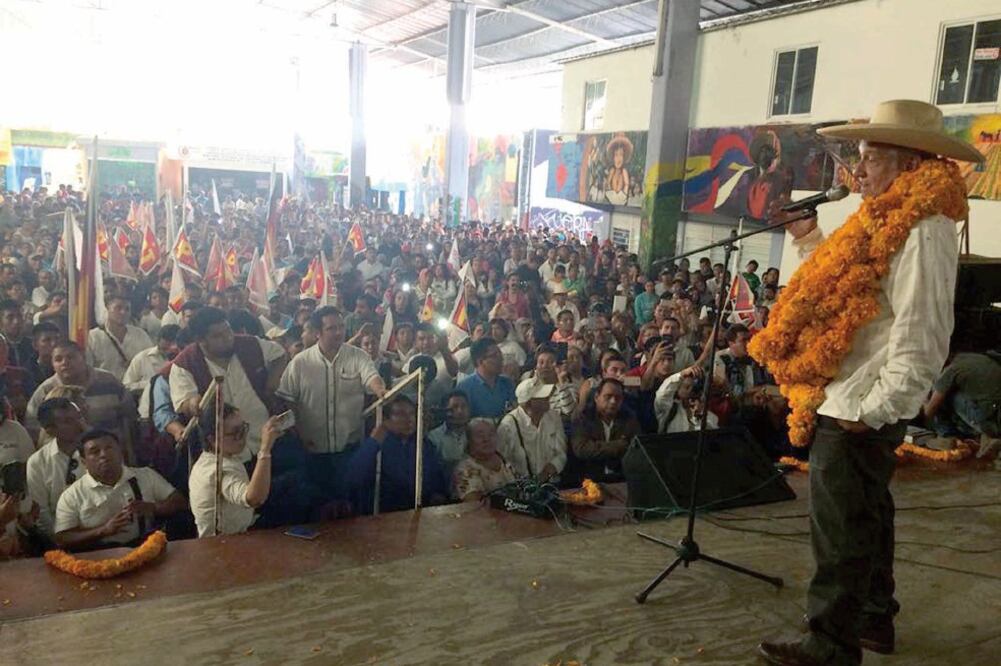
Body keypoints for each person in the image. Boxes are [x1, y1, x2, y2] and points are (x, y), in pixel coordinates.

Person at [756, 100, 982, 666]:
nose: (858, 171)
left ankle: (831, 643)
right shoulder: (880, 217)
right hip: (853, 396)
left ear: (908, 163)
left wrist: (879, 409)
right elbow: (843, 295)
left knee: (840, 528)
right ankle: (875, 622)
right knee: (867, 516)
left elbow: (924, 331)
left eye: (870, 158)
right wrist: (809, 238)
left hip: (862, 404)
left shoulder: (925, 226)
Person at [276, 306, 386, 502]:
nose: (339, 332)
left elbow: (371, 376)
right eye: (332, 328)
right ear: (318, 332)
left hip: (349, 450)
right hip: (312, 451)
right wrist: (299, 432)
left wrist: (380, 391)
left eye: (341, 327)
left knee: (350, 504)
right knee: (318, 508)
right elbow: (287, 400)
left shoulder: (358, 356)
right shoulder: (300, 363)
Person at [169, 307, 287, 463]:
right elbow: (184, 402)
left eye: (228, 330)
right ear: (201, 340)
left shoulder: (250, 344)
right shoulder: (184, 364)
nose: (228, 337)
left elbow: (280, 354)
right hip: (228, 455)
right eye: (218, 336)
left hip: (268, 437)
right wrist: (193, 403)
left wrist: (271, 385)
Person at [53, 429, 186, 551]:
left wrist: (154, 507)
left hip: (145, 548)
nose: (104, 455)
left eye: (109, 448)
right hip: (99, 556)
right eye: (95, 451)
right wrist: (103, 530)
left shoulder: (145, 475)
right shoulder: (72, 495)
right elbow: (62, 538)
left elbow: (180, 502)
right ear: (83, 461)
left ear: (120, 452)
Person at [25, 341, 137, 457]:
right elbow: (33, 428)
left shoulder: (109, 381)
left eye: (71, 357)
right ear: (52, 364)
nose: (65, 363)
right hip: (62, 457)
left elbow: (130, 418)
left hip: (109, 454)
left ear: (83, 357)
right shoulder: (45, 391)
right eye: (58, 359)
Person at [188, 405, 284, 537]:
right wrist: (265, 449)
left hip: (237, 527)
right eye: (236, 433)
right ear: (212, 439)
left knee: (291, 482)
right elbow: (254, 499)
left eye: (243, 429)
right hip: (228, 542)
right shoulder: (218, 470)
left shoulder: (207, 459)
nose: (243, 437)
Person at [346, 395, 452, 514]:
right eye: (401, 414)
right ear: (386, 420)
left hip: (419, 512)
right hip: (384, 514)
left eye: (412, 414)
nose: (409, 419)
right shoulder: (378, 444)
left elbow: (437, 477)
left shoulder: (424, 445)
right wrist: (373, 442)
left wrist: (437, 494)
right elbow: (353, 477)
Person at [25, 398, 88, 541]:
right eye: (67, 421)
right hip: (61, 540)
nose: (79, 424)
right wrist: (62, 538)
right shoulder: (38, 462)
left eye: (79, 416)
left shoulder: (100, 452)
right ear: (50, 430)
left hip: (106, 532)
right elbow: (41, 512)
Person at [922, 350, 1001, 459]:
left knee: (941, 396)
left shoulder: (951, 370)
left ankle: (947, 438)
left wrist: (924, 399)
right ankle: (987, 438)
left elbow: (929, 412)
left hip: (986, 417)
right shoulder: (976, 358)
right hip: (996, 420)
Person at [496, 378, 566, 481]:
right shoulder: (508, 425)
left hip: (551, 484)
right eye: (543, 396)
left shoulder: (554, 417)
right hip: (521, 488)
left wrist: (546, 473)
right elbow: (501, 461)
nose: (548, 397)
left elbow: (561, 453)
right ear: (528, 403)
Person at [122, 324, 181, 418]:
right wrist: (150, 384)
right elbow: (126, 386)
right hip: (148, 413)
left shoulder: (184, 360)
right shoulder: (142, 358)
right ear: (157, 341)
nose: (167, 352)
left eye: (171, 348)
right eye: (164, 349)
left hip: (176, 413)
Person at [452, 418, 517, 502]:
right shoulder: (464, 469)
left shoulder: (504, 460)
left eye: (491, 434)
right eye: (480, 436)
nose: (486, 439)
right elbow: (474, 503)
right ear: (469, 440)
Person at [456, 337, 516, 419]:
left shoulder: (507, 383)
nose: (501, 359)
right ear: (480, 361)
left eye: (500, 354)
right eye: (495, 356)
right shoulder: (465, 388)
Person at [655, 366, 718, 433]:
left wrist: (698, 416)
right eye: (687, 387)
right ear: (678, 389)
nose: (690, 391)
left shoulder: (709, 416)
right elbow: (662, 395)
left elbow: (711, 436)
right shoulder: (669, 408)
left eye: (694, 388)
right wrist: (681, 375)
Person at [428, 391, 471, 474]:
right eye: (454, 407)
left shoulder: (475, 431)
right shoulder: (434, 437)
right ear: (445, 410)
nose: (460, 411)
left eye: (464, 406)